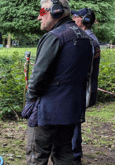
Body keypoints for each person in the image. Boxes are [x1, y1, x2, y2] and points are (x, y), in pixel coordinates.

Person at [22, 0, 94, 164]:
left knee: (36, 157)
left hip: (48, 112)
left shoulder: (54, 37)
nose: (39, 17)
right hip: (71, 111)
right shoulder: (85, 38)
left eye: (42, 12)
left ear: (55, 11)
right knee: (63, 154)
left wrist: (30, 101)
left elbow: (38, 77)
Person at [71, 8, 100, 165]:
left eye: (76, 16)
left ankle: (75, 156)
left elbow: (81, 68)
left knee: (74, 121)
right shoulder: (89, 38)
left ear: (84, 20)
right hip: (83, 87)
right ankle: (75, 152)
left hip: (81, 88)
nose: (73, 18)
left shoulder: (87, 41)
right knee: (74, 121)